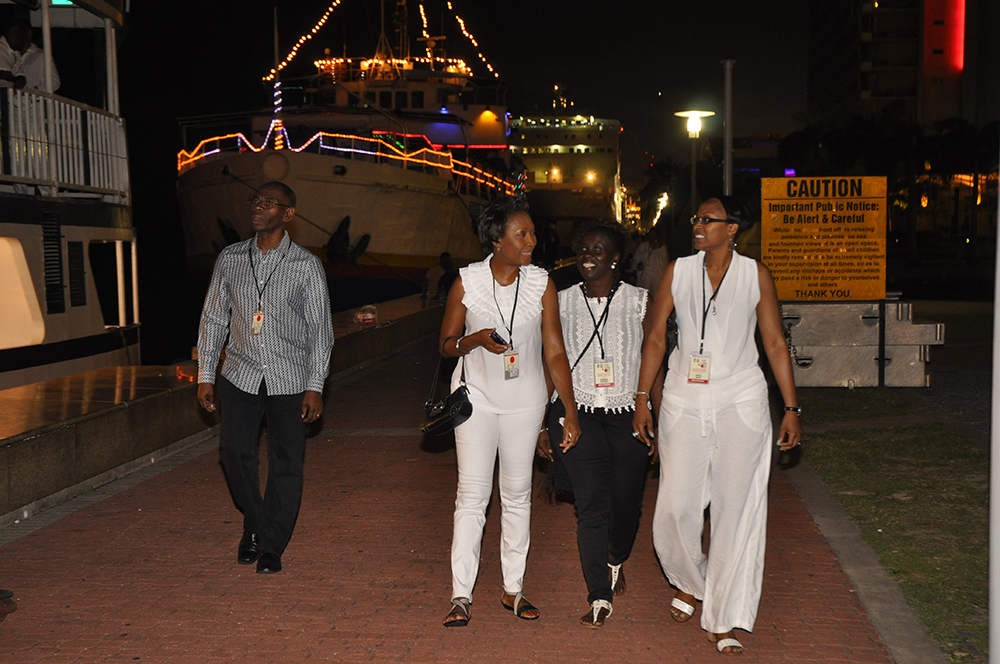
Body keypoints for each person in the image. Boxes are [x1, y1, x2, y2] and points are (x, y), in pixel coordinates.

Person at [632, 196, 802, 655]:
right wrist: (643, 397)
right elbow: (655, 336)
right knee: (675, 507)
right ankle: (691, 582)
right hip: (684, 399)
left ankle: (724, 615)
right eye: (696, 219)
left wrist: (791, 407)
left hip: (740, 399)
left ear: (732, 229)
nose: (698, 225)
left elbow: (774, 342)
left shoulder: (754, 275)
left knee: (735, 510)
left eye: (708, 220)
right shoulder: (678, 271)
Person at [438, 196, 581, 627]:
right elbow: (446, 345)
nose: (532, 240)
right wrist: (475, 340)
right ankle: (460, 595)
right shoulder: (467, 282)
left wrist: (568, 410)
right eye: (522, 234)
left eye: (532, 232)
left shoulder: (541, 283)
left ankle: (513, 589)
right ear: (497, 240)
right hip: (477, 400)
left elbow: (554, 351)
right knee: (472, 497)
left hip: (526, 402)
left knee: (517, 496)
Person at [197, 181, 334, 575]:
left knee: (285, 463)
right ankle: (256, 522)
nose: (258, 207)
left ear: (287, 214)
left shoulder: (306, 265)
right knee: (233, 453)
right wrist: (206, 374)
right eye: (256, 201)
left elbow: (320, 331)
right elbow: (213, 318)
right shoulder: (230, 258)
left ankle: (271, 544)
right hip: (239, 374)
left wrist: (315, 385)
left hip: (289, 378)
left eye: (268, 203)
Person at [536, 219, 663, 628]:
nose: (588, 256)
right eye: (583, 249)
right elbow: (549, 360)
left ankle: (615, 558)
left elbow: (654, 362)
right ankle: (598, 595)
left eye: (598, 250)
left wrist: (661, 422)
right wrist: (542, 422)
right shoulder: (560, 301)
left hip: (629, 410)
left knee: (626, 502)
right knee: (591, 504)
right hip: (577, 411)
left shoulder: (641, 301)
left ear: (616, 258)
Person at [0, 20, 60, 91]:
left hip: (33, 97)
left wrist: (33, 92)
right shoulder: (12, 53)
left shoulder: (41, 55)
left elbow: (54, 82)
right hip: (13, 97)